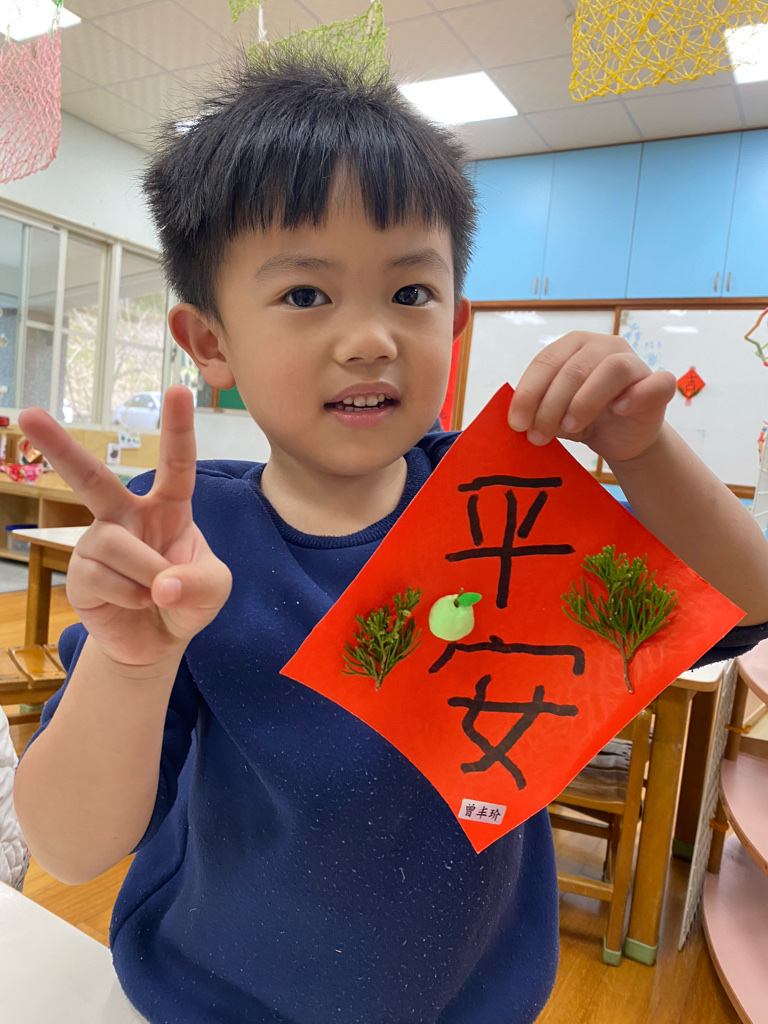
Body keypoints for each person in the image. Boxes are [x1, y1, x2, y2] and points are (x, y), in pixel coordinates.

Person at [13, 42, 768, 1024]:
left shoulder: (506, 503)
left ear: (454, 322)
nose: (370, 337)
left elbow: (747, 607)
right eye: (305, 294)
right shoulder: (187, 542)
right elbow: (71, 849)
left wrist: (646, 450)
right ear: (211, 342)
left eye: (410, 293)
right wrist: (130, 662)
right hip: (214, 997)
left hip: (470, 1001)